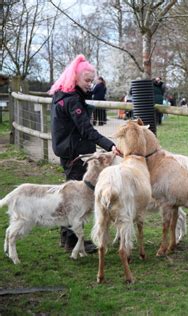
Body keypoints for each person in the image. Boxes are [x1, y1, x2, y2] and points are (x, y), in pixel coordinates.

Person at [48, 54, 120, 253]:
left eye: (91, 80)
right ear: (76, 78)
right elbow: (86, 130)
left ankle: (67, 238)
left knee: (70, 195)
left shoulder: (64, 96)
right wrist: (110, 145)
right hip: (75, 154)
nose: (90, 84)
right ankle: (72, 240)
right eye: (87, 80)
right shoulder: (72, 101)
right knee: (77, 198)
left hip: (69, 150)